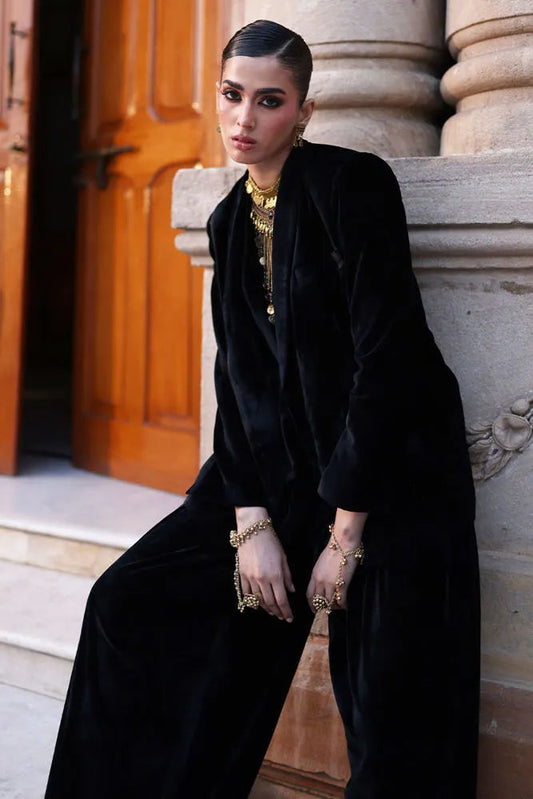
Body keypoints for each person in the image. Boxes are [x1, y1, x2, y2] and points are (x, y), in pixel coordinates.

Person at [45, 19, 480, 799]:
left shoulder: (351, 186)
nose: (243, 118)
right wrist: (250, 524)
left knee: (394, 710)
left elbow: (389, 362)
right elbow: (238, 376)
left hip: (387, 472)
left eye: (269, 101)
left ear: (303, 111)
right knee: (126, 602)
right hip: (279, 470)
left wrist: (342, 539)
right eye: (231, 94)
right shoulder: (226, 218)